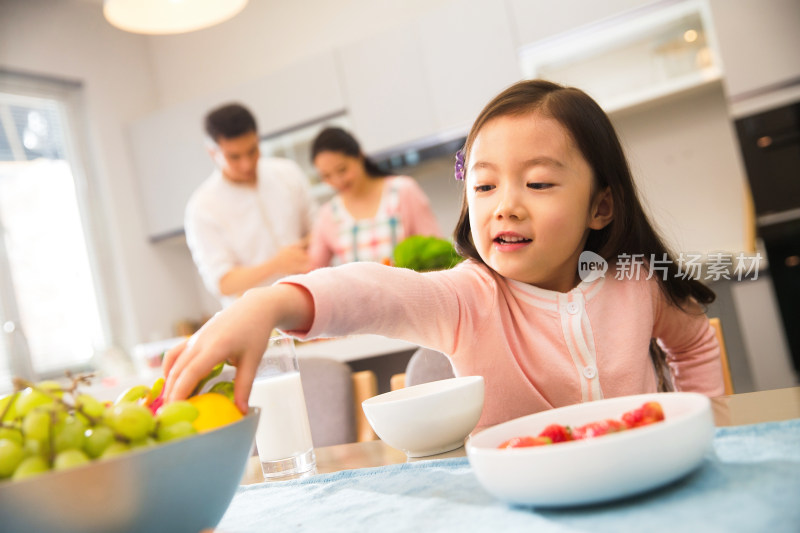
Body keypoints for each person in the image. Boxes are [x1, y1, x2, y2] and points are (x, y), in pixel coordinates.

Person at [165, 80, 723, 431]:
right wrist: (265, 305)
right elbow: (370, 293)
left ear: (601, 207)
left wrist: (710, 423)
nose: (505, 207)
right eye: (483, 187)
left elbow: (695, 341)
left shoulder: (636, 281)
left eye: (538, 184)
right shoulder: (467, 298)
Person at [184, 103, 316, 308]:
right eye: (234, 157)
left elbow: (319, 229)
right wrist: (276, 264)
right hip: (256, 318)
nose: (246, 164)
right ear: (213, 153)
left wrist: (308, 244)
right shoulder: (202, 207)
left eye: (252, 151)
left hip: (311, 302)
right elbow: (223, 283)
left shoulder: (288, 173)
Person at [307, 127, 441, 268]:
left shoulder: (403, 190)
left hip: (412, 289)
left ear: (359, 156)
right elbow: (313, 270)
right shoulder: (327, 215)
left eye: (342, 169)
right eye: (327, 176)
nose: (337, 181)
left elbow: (436, 251)